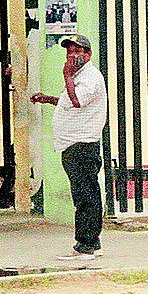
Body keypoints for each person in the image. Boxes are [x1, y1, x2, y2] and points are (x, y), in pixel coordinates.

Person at [30, 34, 107, 261]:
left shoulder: (90, 77)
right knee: (82, 193)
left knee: (85, 195)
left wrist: (66, 76)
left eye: (78, 51)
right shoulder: (78, 77)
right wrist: (49, 99)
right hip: (72, 144)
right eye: (69, 51)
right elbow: (69, 102)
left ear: (88, 54)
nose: (72, 56)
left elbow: (77, 101)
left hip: (82, 144)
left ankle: (87, 245)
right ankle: (90, 242)